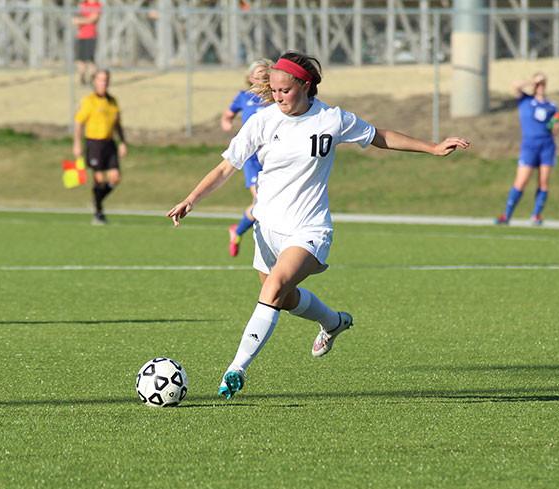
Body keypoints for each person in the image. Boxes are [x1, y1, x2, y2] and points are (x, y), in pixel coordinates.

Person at [166, 52, 470, 399]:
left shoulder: (331, 119)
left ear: (305, 86)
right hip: (268, 229)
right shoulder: (263, 121)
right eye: (274, 90)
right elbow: (225, 168)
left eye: (285, 90)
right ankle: (333, 322)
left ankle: (237, 368)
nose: (278, 96)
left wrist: (432, 147)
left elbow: (378, 136)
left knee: (274, 287)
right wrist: (191, 199)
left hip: (309, 229)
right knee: (283, 298)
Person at [220, 58, 272, 257]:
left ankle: (238, 230)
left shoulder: (276, 98)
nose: (262, 80)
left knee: (266, 202)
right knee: (261, 200)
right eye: (259, 77)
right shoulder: (243, 96)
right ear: (250, 78)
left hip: (272, 155)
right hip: (251, 156)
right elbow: (227, 115)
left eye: (266, 77)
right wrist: (227, 124)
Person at [496, 72, 559, 226]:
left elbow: (555, 128)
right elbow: (514, 86)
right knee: (521, 181)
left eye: (543, 83)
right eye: (538, 84)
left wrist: (555, 125)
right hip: (529, 145)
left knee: (543, 182)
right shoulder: (525, 100)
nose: (540, 86)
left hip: (547, 145)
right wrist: (532, 81)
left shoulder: (551, 106)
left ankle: (536, 215)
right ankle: (507, 215)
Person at [73, 69, 127, 225]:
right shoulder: (89, 101)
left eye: (106, 80)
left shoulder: (113, 101)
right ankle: (98, 212)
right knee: (99, 179)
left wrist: (123, 142)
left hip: (109, 143)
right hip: (94, 143)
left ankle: (96, 203)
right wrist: (77, 143)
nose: (104, 83)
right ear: (94, 82)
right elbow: (78, 123)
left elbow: (117, 124)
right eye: (101, 80)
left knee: (115, 178)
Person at [72, 0, 101, 85]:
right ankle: (82, 79)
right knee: (80, 59)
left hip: (91, 36)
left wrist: (80, 21)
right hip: (80, 36)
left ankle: (93, 79)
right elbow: (76, 18)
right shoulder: (83, 4)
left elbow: (93, 18)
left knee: (90, 59)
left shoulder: (97, 5)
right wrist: (80, 20)